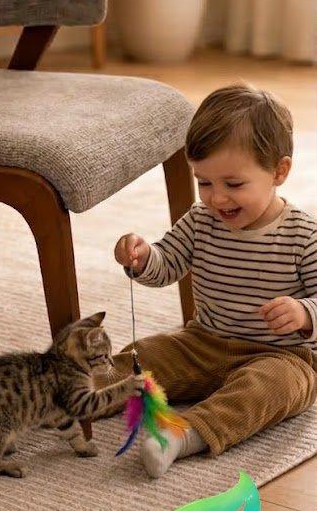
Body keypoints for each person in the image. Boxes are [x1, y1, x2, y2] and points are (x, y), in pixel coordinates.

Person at [112, 84, 317, 477]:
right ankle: (71, 392)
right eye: (204, 182)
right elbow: (167, 264)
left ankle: (184, 434)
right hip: (202, 342)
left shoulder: (303, 236)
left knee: (273, 388)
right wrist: (142, 257)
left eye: (233, 184)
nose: (217, 198)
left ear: (279, 171)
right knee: (142, 355)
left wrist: (304, 313)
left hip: (281, 356)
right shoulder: (200, 221)